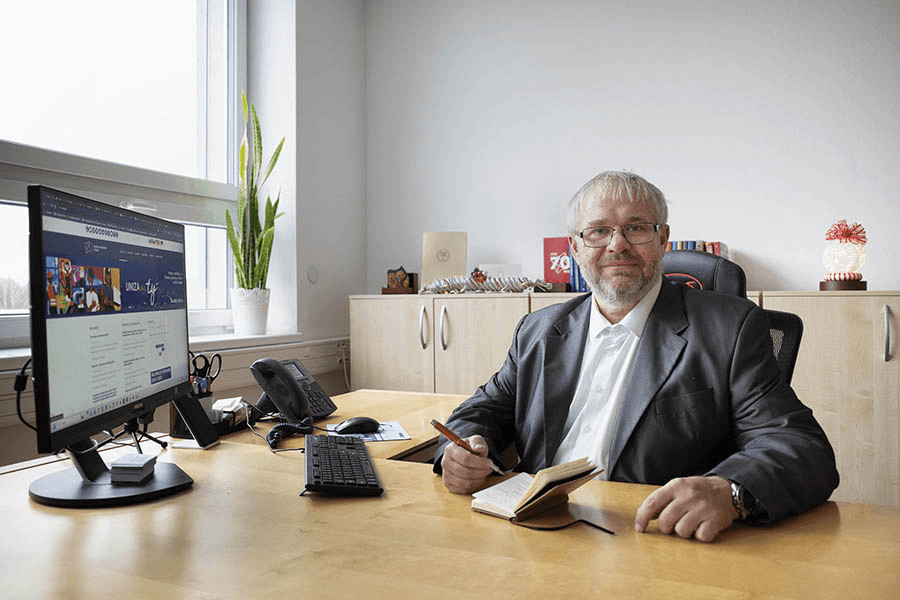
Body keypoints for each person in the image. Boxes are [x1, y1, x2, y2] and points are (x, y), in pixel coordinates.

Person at [433, 170, 838, 542]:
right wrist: (463, 450)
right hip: (534, 530)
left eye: (636, 228)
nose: (617, 244)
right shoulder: (538, 330)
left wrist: (729, 491)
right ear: (575, 247)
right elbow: (481, 411)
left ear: (663, 240)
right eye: (598, 231)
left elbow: (801, 447)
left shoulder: (729, 329)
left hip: (652, 537)